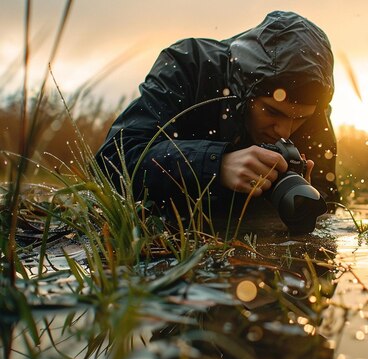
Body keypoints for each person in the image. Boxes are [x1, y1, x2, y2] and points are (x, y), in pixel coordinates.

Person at [95, 11, 338, 228]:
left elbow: (328, 202)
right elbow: (112, 161)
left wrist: (300, 201)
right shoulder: (189, 66)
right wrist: (217, 165)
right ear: (245, 92)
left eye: (299, 119)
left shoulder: (315, 109)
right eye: (273, 112)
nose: (285, 130)